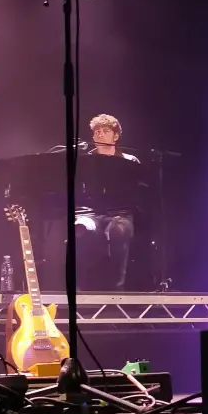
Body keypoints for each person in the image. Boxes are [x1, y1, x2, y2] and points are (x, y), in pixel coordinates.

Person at [75, 114, 141, 291]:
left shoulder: (130, 161)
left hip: (120, 214)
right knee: (79, 228)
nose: (100, 135)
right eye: (97, 132)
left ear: (116, 136)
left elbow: (139, 193)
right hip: (90, 213)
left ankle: (117, 289)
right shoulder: (83, 162)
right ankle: (80, 289)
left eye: (105, 131)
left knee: (118, 230)